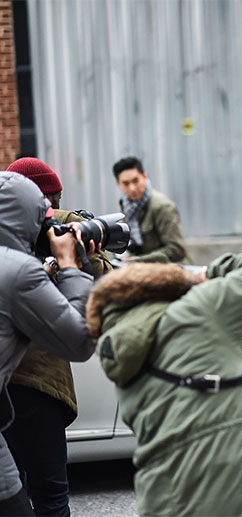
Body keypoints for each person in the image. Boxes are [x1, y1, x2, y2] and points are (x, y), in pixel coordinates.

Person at [85, 252, 242, 516]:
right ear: (168, 285)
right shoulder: (197, 310)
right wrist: (206, 274)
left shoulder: (116, 351)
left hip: (168, 499)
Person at [3, 157, 111, 516]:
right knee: (50, 494)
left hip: (11, 392)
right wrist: (71, 260)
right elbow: (83, 331)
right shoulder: (27, 265)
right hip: (38, 385)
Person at [112, 156, 190, 263]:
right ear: (118, 184)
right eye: (126, 183)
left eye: (136, 181)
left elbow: (177, 250)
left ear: (144, 177)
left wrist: (139, 260)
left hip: (170, 270)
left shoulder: (162, 206)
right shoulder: (125, 205)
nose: (132, 188)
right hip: (142, 269)